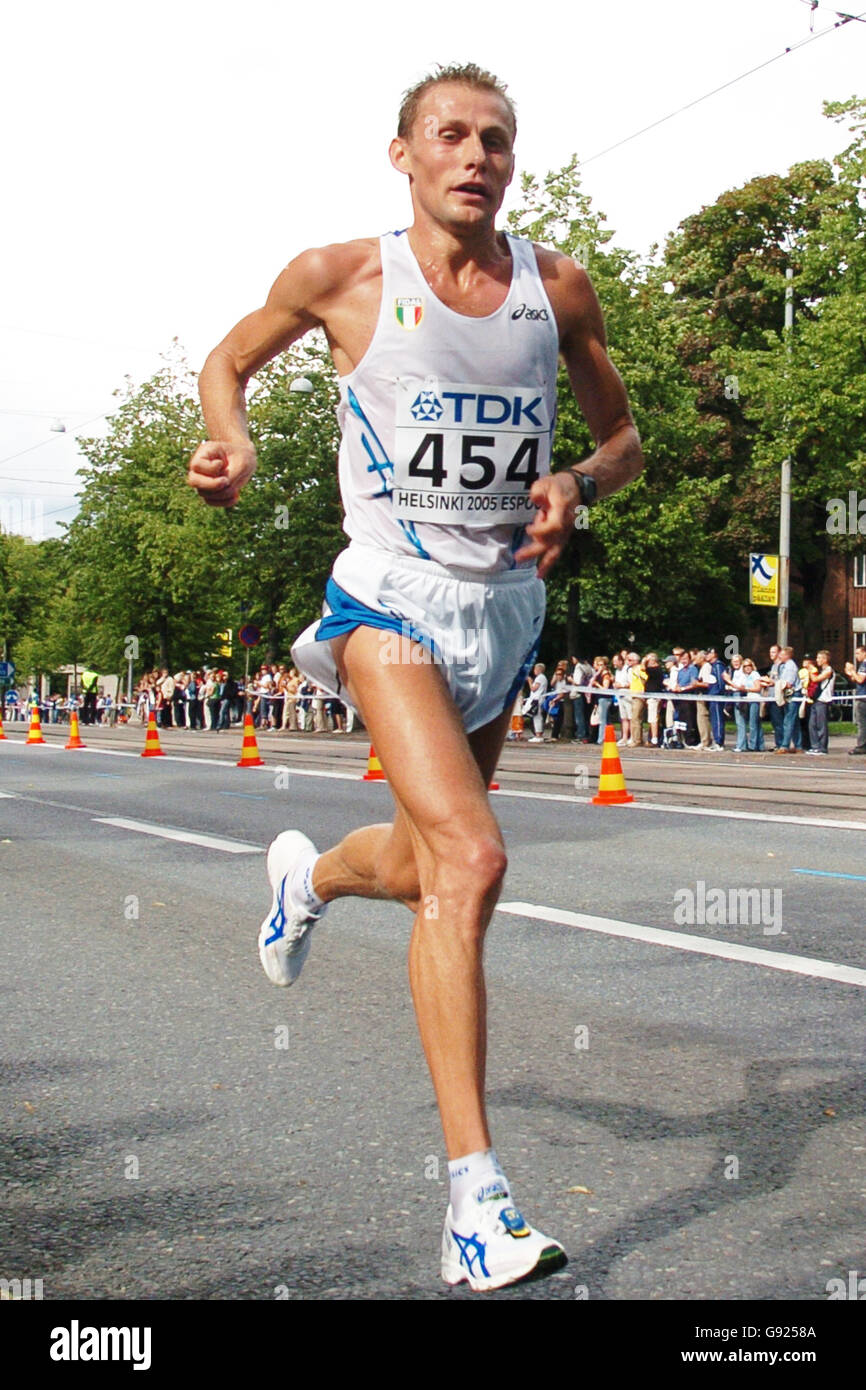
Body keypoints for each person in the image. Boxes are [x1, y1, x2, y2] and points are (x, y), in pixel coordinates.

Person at [186, 62, 643, 1292]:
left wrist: (576, 487)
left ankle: (309, 878)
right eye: (450, 134)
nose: (474, 155)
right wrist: (229, 439)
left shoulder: (556, 290)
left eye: (495, 139)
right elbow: (227, 361)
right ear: (402, 154)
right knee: (475, 860)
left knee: (427, 860)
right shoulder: (340, 275)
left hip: (501, 610)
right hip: (384, 596)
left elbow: (623, 440)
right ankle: (472, 1204)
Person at [805, 650, 834, 755]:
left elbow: (816, 679)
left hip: (823, 700)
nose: (817, 660)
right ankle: (815, 746)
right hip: (816, 699)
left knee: (821, 725)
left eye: (819, 658)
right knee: (812, 724)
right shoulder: (821, 670)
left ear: (825, 659)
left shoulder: (829, 670)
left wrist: (810, 670)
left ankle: (822, 747)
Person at [844, 645, 866, 755]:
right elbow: (857, 679)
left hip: (863, 698)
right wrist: (850, 673)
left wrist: (852, 671)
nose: (856, 656)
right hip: (862, 696)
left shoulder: (864, 665)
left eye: (858, 653)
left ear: (864, 653)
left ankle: (861, 746)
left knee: (861, 723)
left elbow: (860, 680)